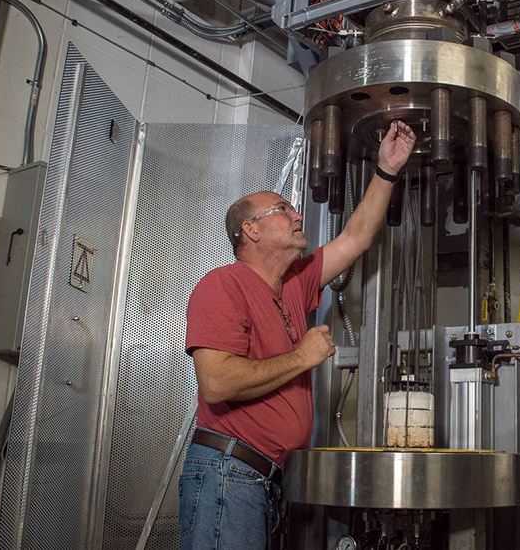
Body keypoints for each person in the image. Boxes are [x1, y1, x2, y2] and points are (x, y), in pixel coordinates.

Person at [178, 121, 416, 549]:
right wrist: (302, 357)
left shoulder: (293, 284)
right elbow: (216, 384)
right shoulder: (223, 285)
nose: (298, 214)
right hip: (226, 475)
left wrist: (387, 170)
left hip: (261, 478)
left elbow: (357, 237)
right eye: (284, 210)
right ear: (250, 230)